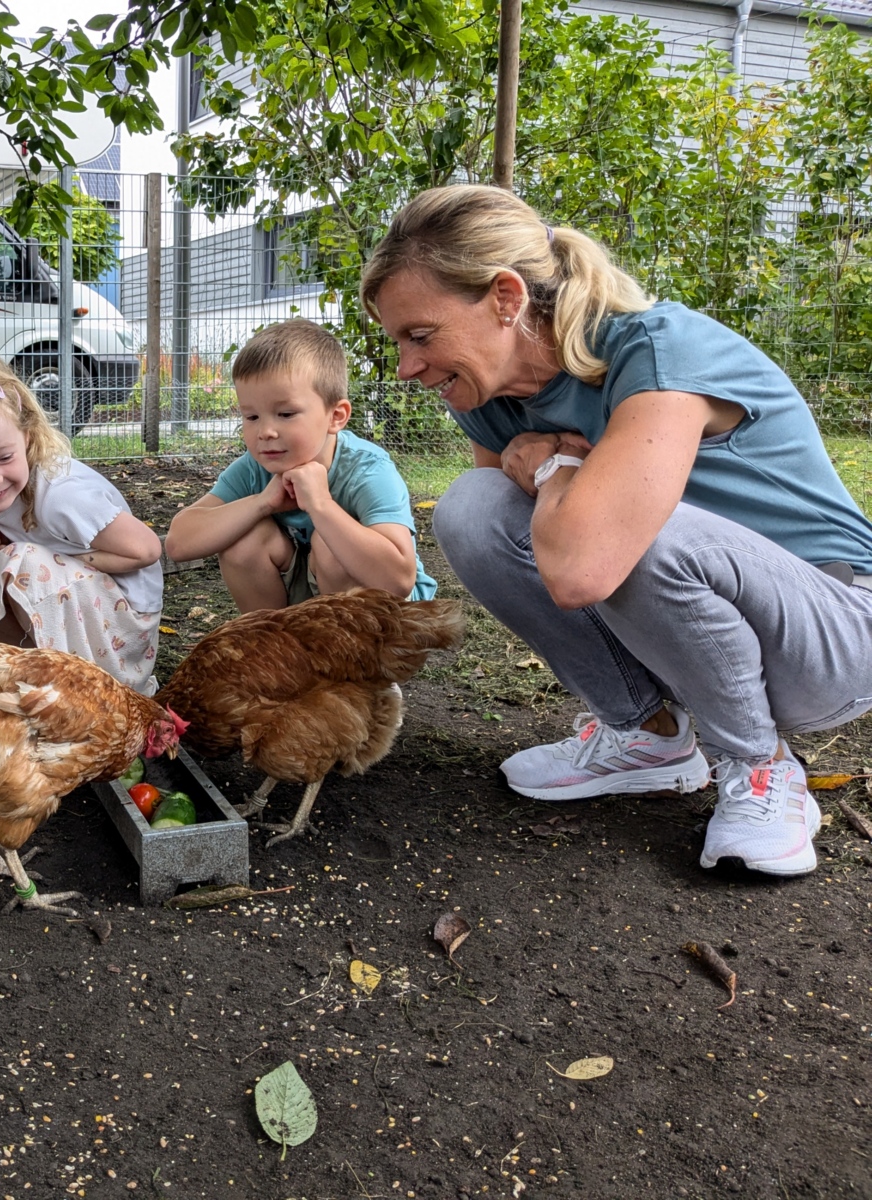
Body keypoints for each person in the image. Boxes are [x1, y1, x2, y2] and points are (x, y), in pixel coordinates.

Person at [361, 183, 872, 877]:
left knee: (628, 536)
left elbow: (581, 568)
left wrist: (559, 466)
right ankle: (649, 736)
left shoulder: (658, 351)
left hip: (831, 632)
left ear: (507, 298)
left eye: (421, 335)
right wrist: (549, 476)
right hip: (702, 639)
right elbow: (521, 534)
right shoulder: (488, 395)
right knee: (472, 506)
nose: (408, 367)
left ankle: (760, 767)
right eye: (399, 342)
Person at [0, 352, 164, 694]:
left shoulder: (61, 495)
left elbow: (146, 550)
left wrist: (32, 555)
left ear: (26, 436)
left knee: (25, 564)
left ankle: (73, 692)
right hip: (85, 612)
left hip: (125, 633)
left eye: (4, 457)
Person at [165, 318, 436, 611]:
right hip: (305, 611)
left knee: (331, 546)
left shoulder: (367, 470)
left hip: (387, 620)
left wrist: (321, 505)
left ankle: (344, 657)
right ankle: (275, 648)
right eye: (252, 417)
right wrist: (261, 503)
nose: (265, 432)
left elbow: (398, 580)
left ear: (336, 416)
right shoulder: (254, 469)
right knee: (243, 539)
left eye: (286, 413)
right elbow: (179, 543)